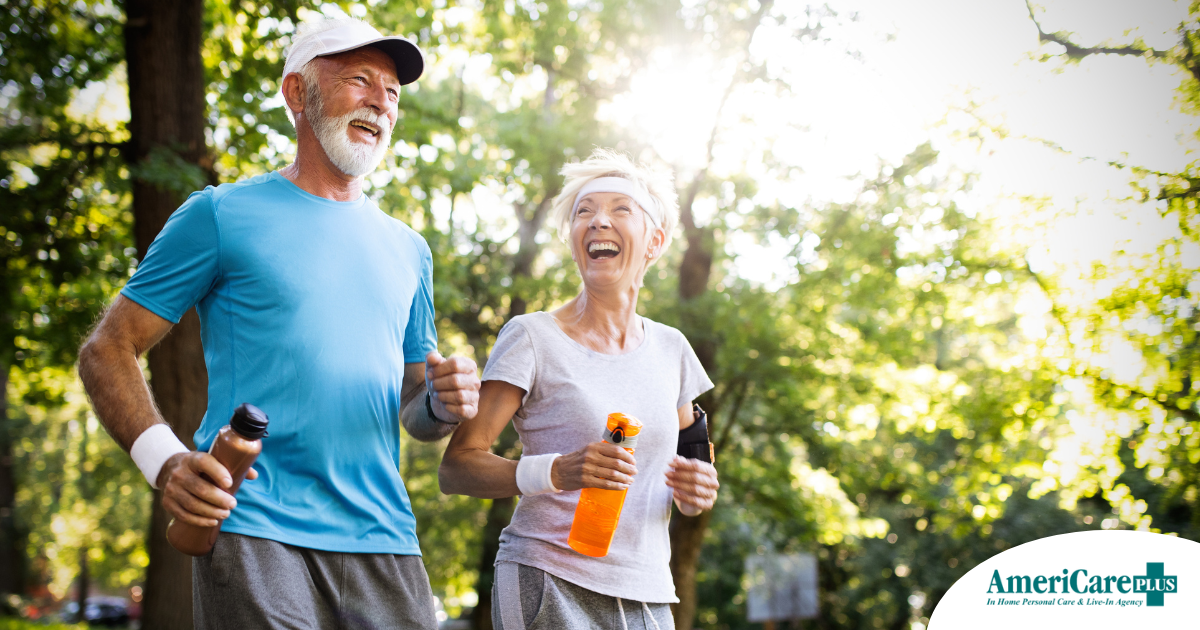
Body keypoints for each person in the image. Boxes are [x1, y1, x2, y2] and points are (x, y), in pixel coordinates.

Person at [78, 17, 480, 630]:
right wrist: (165, 461)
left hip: (385, 538)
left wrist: (445, 405)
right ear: (298, 94)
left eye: (392, 92)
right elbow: (107, 348)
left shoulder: (410, 250)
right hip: (256, 529)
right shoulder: (221, 213)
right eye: (359, 80)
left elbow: (413, 407)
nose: (380, 101)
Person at [438, 149, 720, 630]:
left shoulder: (673, 350)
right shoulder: (532, 337)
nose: (598, 222)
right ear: (573, 241)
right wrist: (559, 470)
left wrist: (698, 490)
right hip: (549, 578)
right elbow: (457, 467)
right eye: (584, 212)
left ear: (654, 241)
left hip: (648, 592)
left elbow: (694, 454)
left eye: (620, 209)